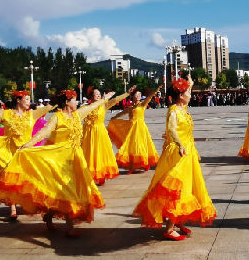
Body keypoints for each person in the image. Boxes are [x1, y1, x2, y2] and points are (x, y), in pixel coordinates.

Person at [0, 89, 109, 237]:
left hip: (76, 158)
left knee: (70, 190)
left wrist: (106, 99)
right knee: (67, 191)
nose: (76, 102)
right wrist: (29, 144)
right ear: (66, 102)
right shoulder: (57, 118)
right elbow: (44, 132)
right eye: (73, 100)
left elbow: (91, 107)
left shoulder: (78, 114)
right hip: (60, 159)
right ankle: (70, 228)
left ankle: (49, 215)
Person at [134, 77, 216, 241]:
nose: (190, 95)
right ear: (180, 95)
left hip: (187, 152)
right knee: (176, 190)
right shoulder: (174, 111)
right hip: (178, 153)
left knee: (187, 188)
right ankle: (169, 228)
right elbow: (171, 130)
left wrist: (190, 84)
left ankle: (177, 221)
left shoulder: (182, 107)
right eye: (187, 92)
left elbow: (187, 96)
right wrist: (179, 144)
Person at [82, 86, 135, 184]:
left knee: (100, 154)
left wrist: (127, 93)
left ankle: (101, 175)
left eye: (99, 94)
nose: (98, 95)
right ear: (91, 96)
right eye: (96, 94)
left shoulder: (104, 105)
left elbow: (115, 100)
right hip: (89, 134)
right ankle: (90, 175)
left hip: (100, 133)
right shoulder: (86, 107)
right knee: (91, 153)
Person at [107, 83, 162, 172]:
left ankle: (145, 162)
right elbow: (122, 113)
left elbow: (149, 98)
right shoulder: (131, 107)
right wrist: (114, 118)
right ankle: (132, 164)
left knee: (142, 145)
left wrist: (156, 90)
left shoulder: (142, 105)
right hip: (132, 128)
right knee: (131, 146)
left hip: (140, 128)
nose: (138, 96)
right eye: (137, 95)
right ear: (133, 96)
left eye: (140, 95)